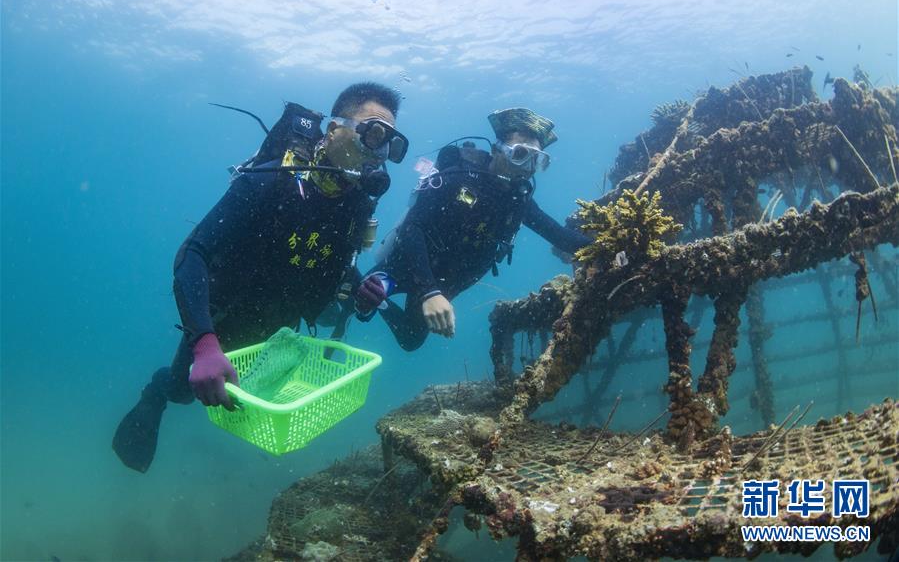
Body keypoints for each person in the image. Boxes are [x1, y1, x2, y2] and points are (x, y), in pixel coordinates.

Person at [112, 82, 406, 473]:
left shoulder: (355, 206)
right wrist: (204, 343)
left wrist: (362, 290)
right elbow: (192, 254)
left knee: (251, 394)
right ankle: (155, 392)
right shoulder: (272, 181)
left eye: (389, 144)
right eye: (373, 133)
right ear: (334, 129)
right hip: (224, 318)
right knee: (185, 391)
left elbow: (331, 264)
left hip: (281, 329)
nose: (379, 153)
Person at [353, 107, 589, 351]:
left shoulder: (519, 201)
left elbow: (561, 237)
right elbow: (412, 228)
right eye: (520, 154)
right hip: (410, 264)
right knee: (359, 295)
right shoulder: (457, 179)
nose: (528, 168)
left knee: (410, 339)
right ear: (497, 150)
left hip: (448, 280)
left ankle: (378, 301)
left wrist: (608, 244)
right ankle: (362, 287)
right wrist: (428, 292)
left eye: (537, 160)